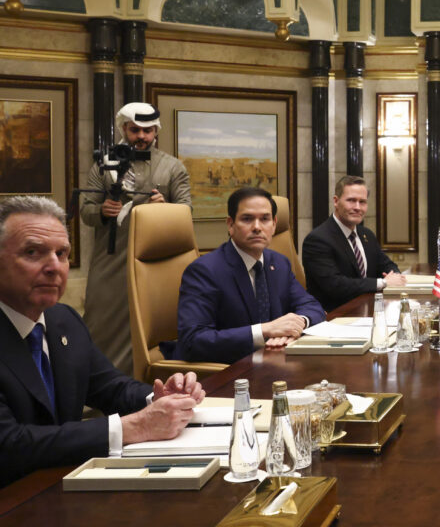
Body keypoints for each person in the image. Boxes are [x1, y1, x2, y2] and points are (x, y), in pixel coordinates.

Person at [0, 196, 203, 487]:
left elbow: (109, 387)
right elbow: (10, 445)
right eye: (33, 252)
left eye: (62, 253)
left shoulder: (62, 319)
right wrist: (131, 427)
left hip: (58, 486)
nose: (54, 266)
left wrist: (158, 397)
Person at [79, 102, 191, 375]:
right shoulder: (102, 165)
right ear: (124, 129)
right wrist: (103, 211)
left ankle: (147, 387)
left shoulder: (173, 167)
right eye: (135, 130)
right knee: (101, 323)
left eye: (147, 130)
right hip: (111, 260)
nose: (141, 136)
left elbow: (186, 212)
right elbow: (85, 210)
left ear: (156, 132)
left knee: (153, 325)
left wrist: (166, 207)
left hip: (157, 264)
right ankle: (101, 392)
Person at [174, 187, 325, 364]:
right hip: (229, 371)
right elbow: (193, 341)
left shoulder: (279, 263)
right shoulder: (205, 271)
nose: (257, 227)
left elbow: (312, 306)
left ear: (275, 224)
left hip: (273, 362)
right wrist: (264, 331)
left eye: (265, 219)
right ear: (230, 224)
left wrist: (296, 324)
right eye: (247, 219)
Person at [302, 175, 406, 311]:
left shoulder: (367, 235)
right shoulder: (318, 240)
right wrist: (384, 282)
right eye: (351, 200)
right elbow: (336, 285)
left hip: (369, 311)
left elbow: (387, 265)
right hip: (334, 317)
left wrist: (395, 276)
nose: (357, 207)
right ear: (336, 201)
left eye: (362, 202)